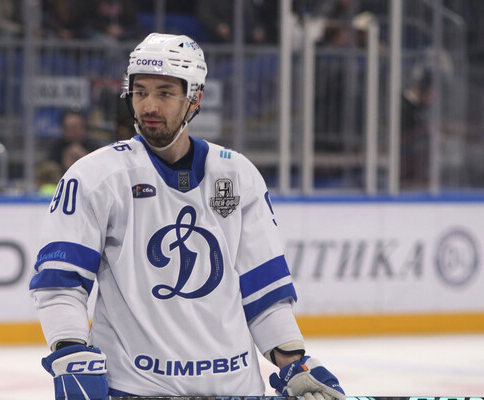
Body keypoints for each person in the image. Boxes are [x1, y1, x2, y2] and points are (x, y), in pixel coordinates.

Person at [29, 33, 346, 400]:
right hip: (136, 388)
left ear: (194, 98)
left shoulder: (237, 175)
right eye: (140, 91)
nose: (149, 105)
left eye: (165, 93)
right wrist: (70, 352)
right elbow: (61, 281)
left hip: (237, 388)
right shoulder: (95, 177)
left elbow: (264, 288)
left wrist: (293, 362)